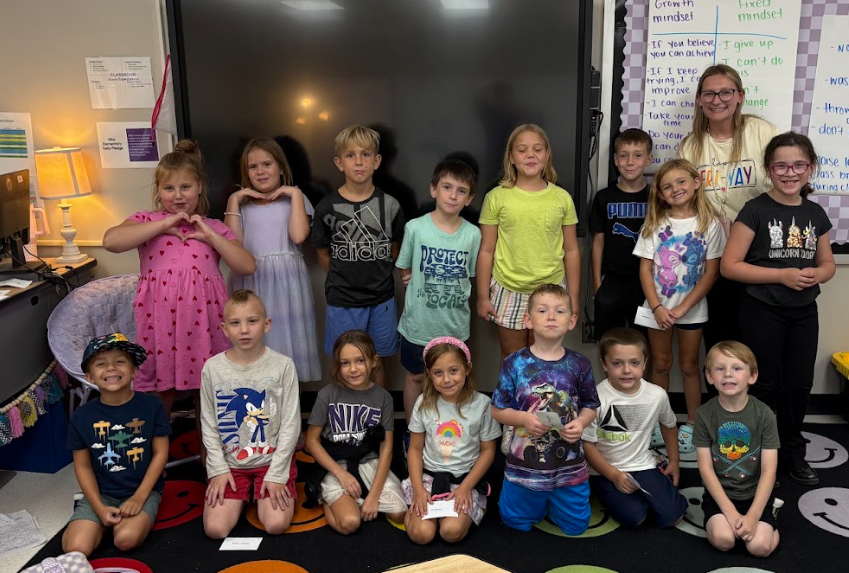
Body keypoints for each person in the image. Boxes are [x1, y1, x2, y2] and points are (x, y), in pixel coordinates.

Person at [103, 140, 256, 418]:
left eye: (185, 187)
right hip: (159, 326)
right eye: (169, 188)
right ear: (159, 191)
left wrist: (209, 235)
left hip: (205, 325)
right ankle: (154, 457)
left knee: (209, 395)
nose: (178, 196)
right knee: (159, 395)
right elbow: (111, 241)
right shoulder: (146, 221)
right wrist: (164, 224)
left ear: (199, 187)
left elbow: (246, 265)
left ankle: (213, 460)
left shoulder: (214, 228)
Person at [721, 132, 835, 486]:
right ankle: (756, 451)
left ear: (810, 168)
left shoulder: (815, 213)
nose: (790, 172)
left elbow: (828, 264)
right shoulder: (756, 209)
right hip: (761, 309)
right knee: (763, 384)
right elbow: (730, 266)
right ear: (770, 170)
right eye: (781, 165)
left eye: (798, 165)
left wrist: (819, 273)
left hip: (803, 312)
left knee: (800, 384)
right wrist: (781, 275)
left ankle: (792, 451)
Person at [678, 64, 780, 367]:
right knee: (721, 341)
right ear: (699, 100)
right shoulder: (690, 146)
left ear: (739, 96)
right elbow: (684, 202)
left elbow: (786, 183)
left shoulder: (762, 132)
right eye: (709, 93)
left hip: (760, 255)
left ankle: (756, 411)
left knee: (757, 340)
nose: (717, 100)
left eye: (725, 92)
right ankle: (723, 411)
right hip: (714, 257)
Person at [491, 284, 600, 535]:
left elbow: (591, 406)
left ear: (572, 321)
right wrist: (522, 419)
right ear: (528, 320)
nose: (551, 316)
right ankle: (537, 502)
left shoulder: (580, 364)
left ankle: (552, 501)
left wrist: (581, 423)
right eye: (542, 311)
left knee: (576, 527)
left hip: (568, 465)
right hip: (524, 467)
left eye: (560, 311)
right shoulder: (515, 363)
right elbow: (497, 410)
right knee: (514, 523)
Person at [633, 159, 725, 451]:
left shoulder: (709, 223)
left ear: (696, 183)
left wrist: (684, 308)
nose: (676, 189)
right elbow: (645, 270)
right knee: (659, 364)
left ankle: (694, 423)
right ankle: (661, 422)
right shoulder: (655, 224)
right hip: (656, 309)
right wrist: (658, 307)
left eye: (681, 182)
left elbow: (711, 272)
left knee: (689, 366)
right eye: (668, 186)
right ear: (660, 193)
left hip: (692, 309)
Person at [310, 125, 405, 387]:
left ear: (376, 161)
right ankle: (345, 422)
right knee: (345, 361)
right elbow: (322, 252)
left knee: (375, 361)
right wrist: (346, 278)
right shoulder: (326, 207)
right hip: (343, 301)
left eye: (365, 155)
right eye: (351, 156)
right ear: (339, 163)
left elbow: (395, 247)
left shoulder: (391, 205)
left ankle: (377, 423)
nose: (359, 161)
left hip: (381, 299)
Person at [477, 124, 581, 364]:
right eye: (522, 150)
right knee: (513, 360)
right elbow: (486, 250)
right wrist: (483, 296)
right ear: (511, 157)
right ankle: (512, 403)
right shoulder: (497, 197)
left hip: (551, 291)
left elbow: (572, 250)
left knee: (544, 359)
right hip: (508, 288)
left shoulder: (561, 198)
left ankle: (541, 404)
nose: (530, 155)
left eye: (537, 149)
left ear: (547, 155)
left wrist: (573, 295)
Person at [200, 290, 301, 538]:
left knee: (275, 524)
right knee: (215, 530)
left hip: (272, 462)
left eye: (252, 321)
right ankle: (242, 493)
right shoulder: (212, 368)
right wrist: (218, 470)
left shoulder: (283, 366)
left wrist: (278, 473)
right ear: (224, 328)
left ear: (266, 325)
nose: (244, 330)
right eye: (235, 323)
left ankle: (263, 489)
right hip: (231, 465)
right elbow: (208, 424)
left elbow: (291, 423)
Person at [62, 334, 170, 556]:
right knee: (75, 548)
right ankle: (98, 521)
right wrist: (99, 507)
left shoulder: (152, 405)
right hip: (101, 494)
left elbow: (160, 453)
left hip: (144, 490)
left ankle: (129, 516)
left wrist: (140, 496)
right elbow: (83, 467)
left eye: (120, 361)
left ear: (134, 371)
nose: (111, 368)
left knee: (126, 540)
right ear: (90, 377)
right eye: (101, 364)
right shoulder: (82, 416)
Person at [225, 138, 321, 382]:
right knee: (251, 339)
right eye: (253, 166)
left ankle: (287, 409)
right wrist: (234, 200)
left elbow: (299, 235)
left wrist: (295, 193)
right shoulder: (241, 206)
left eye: (267, 164)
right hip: (251, 281)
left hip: (286, 283)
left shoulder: (294, 200)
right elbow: (232, 245)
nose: (260, 171)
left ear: (280, 166)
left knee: (284, 341)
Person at [396, 159, 481, 424]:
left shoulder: (473, 235)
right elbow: (404, 267)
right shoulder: (415, 228)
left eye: (461, 191)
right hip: (418, 325)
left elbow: (470, 274)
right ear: (433, 189)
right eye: (447, 187)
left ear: (469, 199)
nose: (453, 195)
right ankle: (412, 429)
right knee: (415, 377)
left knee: (453, 381)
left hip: (454, 327)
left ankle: (448, 431)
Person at [582, 327, 687, 528]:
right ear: (604, 365)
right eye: (617, 363)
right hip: (605, 470)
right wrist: (613, 475)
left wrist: (674, 460)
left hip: (643, 465)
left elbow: (669, 425)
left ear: (645, 364)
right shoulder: (595, 398)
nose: (627, 370)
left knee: (674, 516)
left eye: (634, 363)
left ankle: (659, 472)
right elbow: (587, 446)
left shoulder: (657, 395)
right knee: (636, 517)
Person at [305, 330, 407, 534]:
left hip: (370, 462)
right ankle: (327, 499)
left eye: (360, 361)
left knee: (398, 512)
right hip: (336, 465)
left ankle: (360, 499)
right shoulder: (327, 394)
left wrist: (373, 496)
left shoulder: (383, 397)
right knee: (350, 523)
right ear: (338, 365)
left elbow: (386, 448)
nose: (353, 369)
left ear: (373, 361)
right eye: (345, 363)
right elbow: (311, 441)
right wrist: (340, 474)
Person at [403, 337, 501, 544]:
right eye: (438, 373)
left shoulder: (483, 404)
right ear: (429, 374)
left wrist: (466, 487)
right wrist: (419, 490)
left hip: (465, 481)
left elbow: (488, 451)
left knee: (450, 532)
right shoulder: (423, 402)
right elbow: (415, 449)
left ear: (467, 368)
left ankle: (472, 506)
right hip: (429, 480)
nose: (446, 379)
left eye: (453, 371)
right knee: (422, 535)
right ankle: (414, 510)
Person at [695, 341, 780, 557]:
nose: (728, 374)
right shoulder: (704, 415)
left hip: (755, 494)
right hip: (721, 495)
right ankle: (732, 521)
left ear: (752, 376)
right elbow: (705, 469)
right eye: (720, 368)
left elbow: (769, 470)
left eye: (737, 368)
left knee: (760, 547)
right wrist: (730, 512)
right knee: (724, 540)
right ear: (709, 377)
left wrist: (753, 515)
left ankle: (772, 520)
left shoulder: (765, 415)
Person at [590, 128, 653, 340]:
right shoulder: (604, 197)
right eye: (624, 156)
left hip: (647, 283)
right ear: (616, 160)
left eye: (638, 155)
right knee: (610, 341)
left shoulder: (657, 198)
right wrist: (597, 283)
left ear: (648, 159)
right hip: (613, 282)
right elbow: (598, 242)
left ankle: (643, 375)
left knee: (644, 343)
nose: (630, 162)